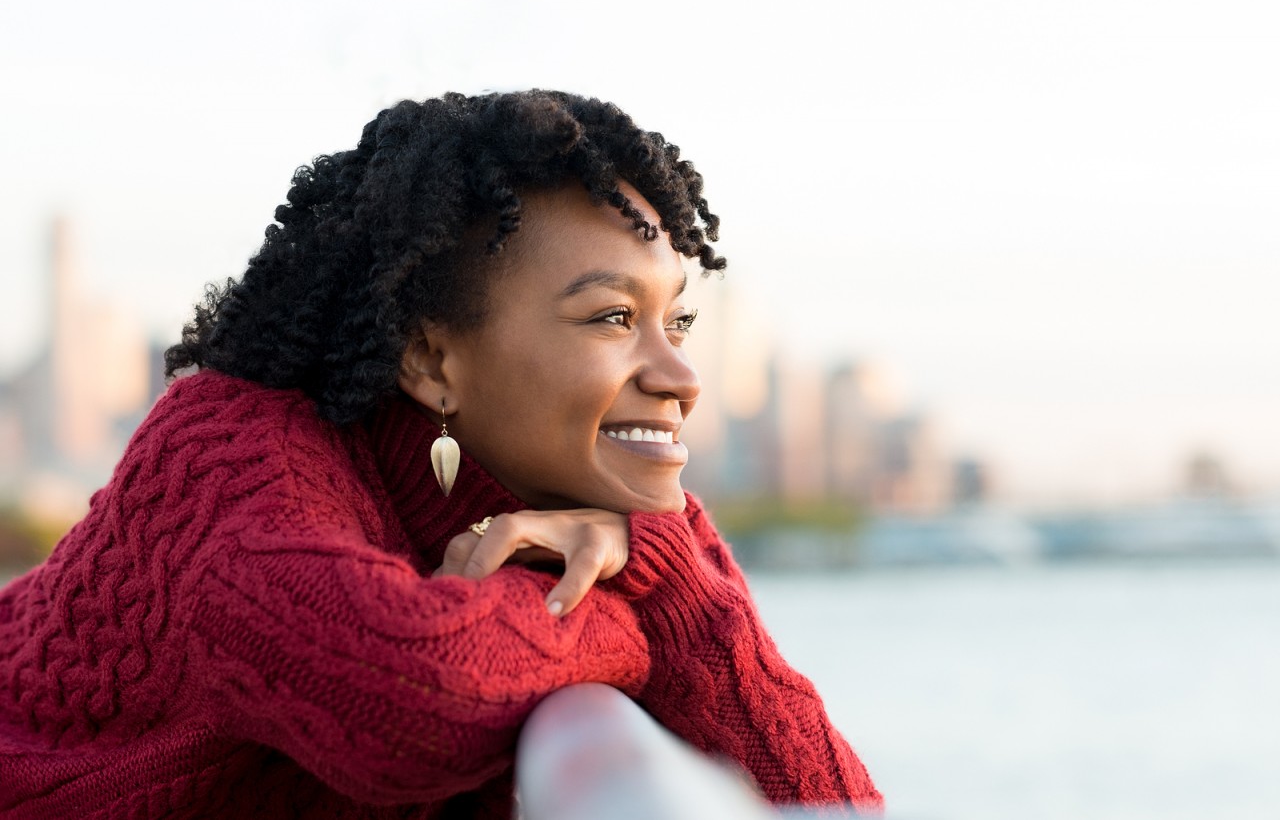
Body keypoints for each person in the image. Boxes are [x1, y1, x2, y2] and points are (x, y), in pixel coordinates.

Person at [0, 90, 882, 818]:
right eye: (614, 318)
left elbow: (828, 803)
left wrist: (656, 564)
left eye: (677, 320)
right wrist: (621, 609)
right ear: (430, 359)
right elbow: (418, 695)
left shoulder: (620, 513)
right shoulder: (231, 459)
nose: (681, 375)